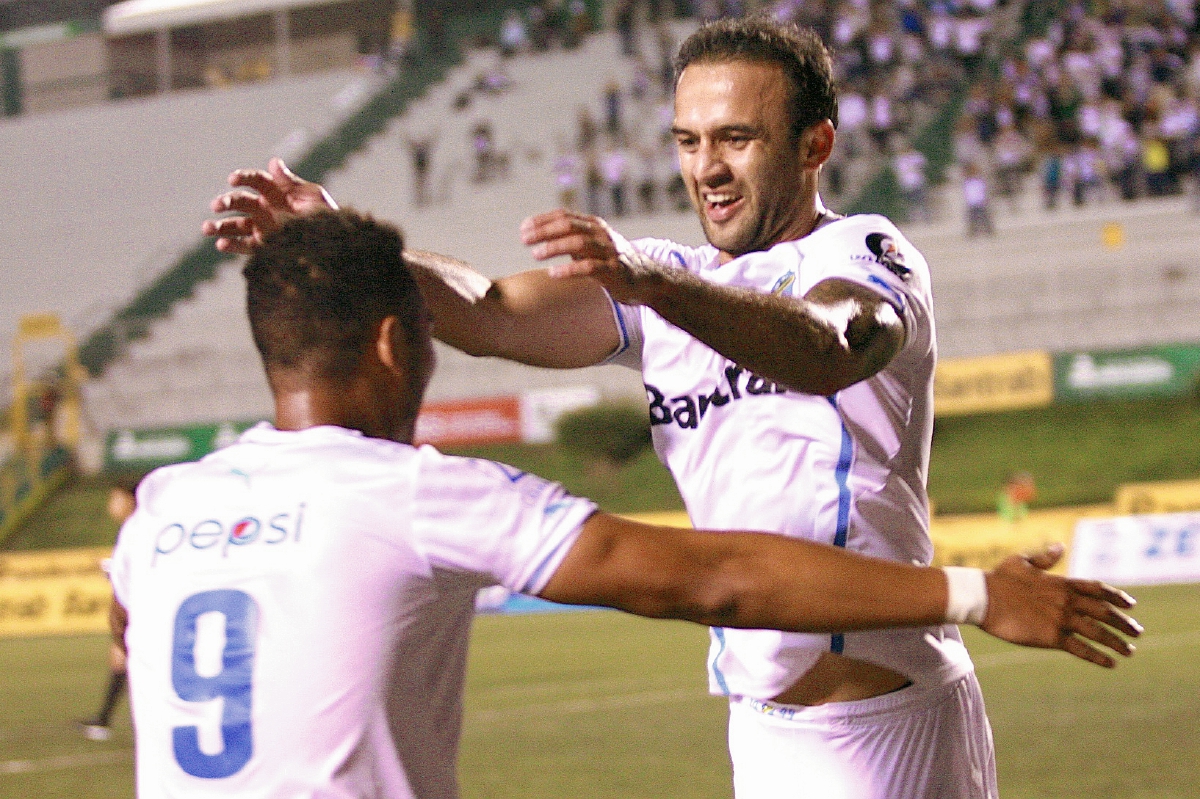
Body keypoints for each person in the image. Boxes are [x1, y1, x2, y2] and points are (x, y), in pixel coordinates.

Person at [202, 19, 1135, 799]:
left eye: (737, 138)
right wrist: (348, 245)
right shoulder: (669, 281)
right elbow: (486, 314)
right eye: (689, 141)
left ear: (817, 145)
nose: (707, 169)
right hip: (758, 727)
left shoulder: (865, 253)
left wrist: (651, 281)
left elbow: (828, 348)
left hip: (883, 724)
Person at [79, 480, 138, 741]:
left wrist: (111, 569)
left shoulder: (139, 528)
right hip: (135, 610)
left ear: (129, 500)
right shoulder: (134, 528)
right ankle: (103, 720)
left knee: (128, 661)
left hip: (144, 610)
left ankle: (104, 721)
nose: (110, 506)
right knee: (121, 660)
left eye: (115, 499)